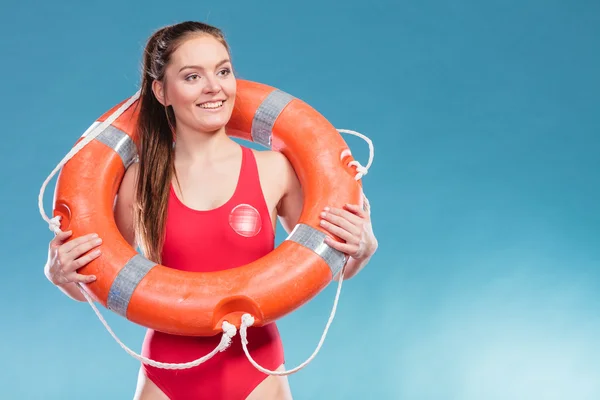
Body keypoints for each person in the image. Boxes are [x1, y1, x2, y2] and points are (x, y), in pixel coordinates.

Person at [44, 21, 378, 400]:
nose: (213, 87)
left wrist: (363, 250)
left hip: (256, 370)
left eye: (222, 71)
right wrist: (59, 275)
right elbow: (100, 282)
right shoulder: (139, 181)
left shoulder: (274, 170)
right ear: (161, 91)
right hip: (169, 371)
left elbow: (324, 271)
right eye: (192, 76)